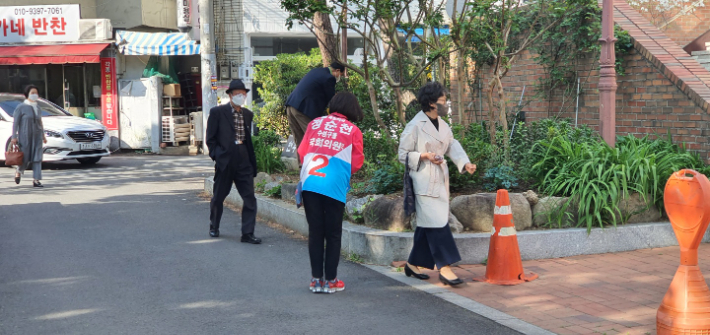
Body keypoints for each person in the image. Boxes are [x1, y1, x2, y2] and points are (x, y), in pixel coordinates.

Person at [398, 82, 477, 286]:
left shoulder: (443, 124)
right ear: (431, 103)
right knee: (437, 224)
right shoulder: (415, 125)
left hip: (440, 179)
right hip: (424, 180)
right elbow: (402, 155)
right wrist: (424, 155)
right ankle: (445, 267)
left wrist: (465, 163)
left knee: (429, 223)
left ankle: (413, 264)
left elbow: (451, 144)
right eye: (443, 101)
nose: (446, 104)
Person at [297, 92, 364, 294]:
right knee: (333, 234)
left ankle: (316, 280)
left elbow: (302, 152)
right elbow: (357, 162)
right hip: (334, 185)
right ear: (352, 109)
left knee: (316, 232)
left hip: (310, 182)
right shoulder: (353, 130)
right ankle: (331, 281)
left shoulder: (314, 124)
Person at [206, 79, 262, 244]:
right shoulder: (217, 112)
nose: (241, 97)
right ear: (230, 95)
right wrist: (218, 156)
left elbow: (248, 139)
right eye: (237, 94)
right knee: (218, 196)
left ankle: (247, 233)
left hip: (243, 158)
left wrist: (252, 162)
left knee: (250, 198)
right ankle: (214, 225)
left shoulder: (247, 114)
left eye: (243, 94)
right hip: (226, 159)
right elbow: (210, 139)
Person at [285, 62, 345, 154]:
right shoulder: (329, 78)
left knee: (300, 140)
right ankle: (317, 166)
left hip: (291, 105)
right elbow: (332, 99)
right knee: (315, 139)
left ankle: (302, 167)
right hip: (303, 110)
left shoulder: (316, 71)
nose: (339, 77)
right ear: (337, 71)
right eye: (340, 74)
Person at [11, 85, 46, 187]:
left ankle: (36, 180)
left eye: (36, 93)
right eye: (32, 93)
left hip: (37, 135)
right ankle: (19, 171)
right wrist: (14, 136)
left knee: (37, 157)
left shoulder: (38, 107)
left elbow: (40, 122)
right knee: (25, 157)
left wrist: (43, 135)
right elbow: (16, 123)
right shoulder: (21, 107)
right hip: (25, 136)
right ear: (27, 94)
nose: (35, 95)